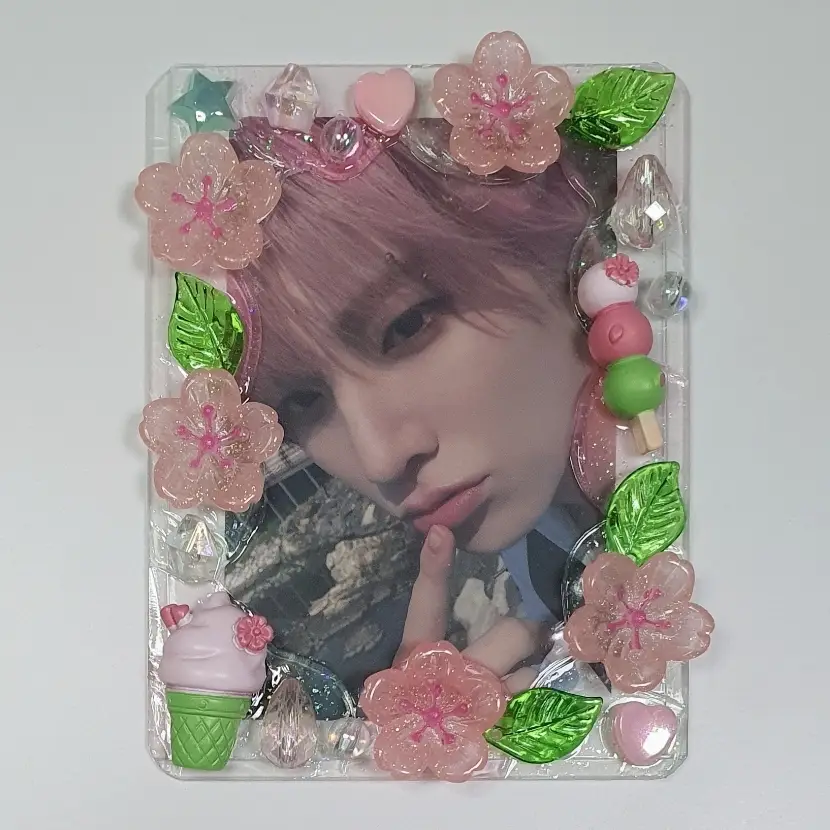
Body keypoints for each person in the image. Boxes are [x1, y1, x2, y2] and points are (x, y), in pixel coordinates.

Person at [232, 117, 603, 687]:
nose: (379, 459)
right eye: (301, 402)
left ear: (556, 243)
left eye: (405, 326)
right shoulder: (539, 554)